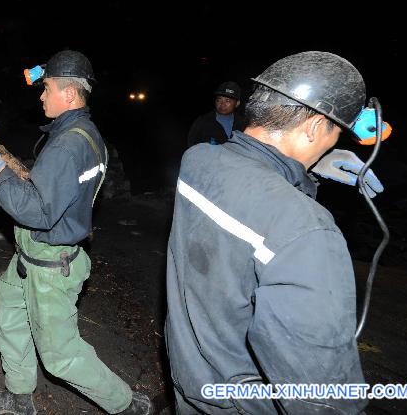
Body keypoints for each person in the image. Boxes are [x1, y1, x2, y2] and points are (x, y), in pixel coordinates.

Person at [165, 51, 384, 414]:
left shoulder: (197, 161)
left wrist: (305, 170)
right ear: (313, 127)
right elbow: (320, 398)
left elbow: (250, 200)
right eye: (334, 134)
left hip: (190, 376)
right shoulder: (308, 232)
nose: (333, 143)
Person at [0, 50, 152, 415]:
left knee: (60, 356)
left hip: (50, 263)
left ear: (69, 94)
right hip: (34, 259)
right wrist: (5, 160)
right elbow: (52, 185)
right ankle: (20, 397)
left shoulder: (68, 144)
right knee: (8, 309)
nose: (41, 95)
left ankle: (127, 404)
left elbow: (39, 212)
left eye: (46, 88)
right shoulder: (84, 133)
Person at [186, 81, 246, 147]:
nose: (222, 104)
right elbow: (191, 147)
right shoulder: (202, 122)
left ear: (237, 103)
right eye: (219, 100)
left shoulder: (243, 124)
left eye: (227, 101)